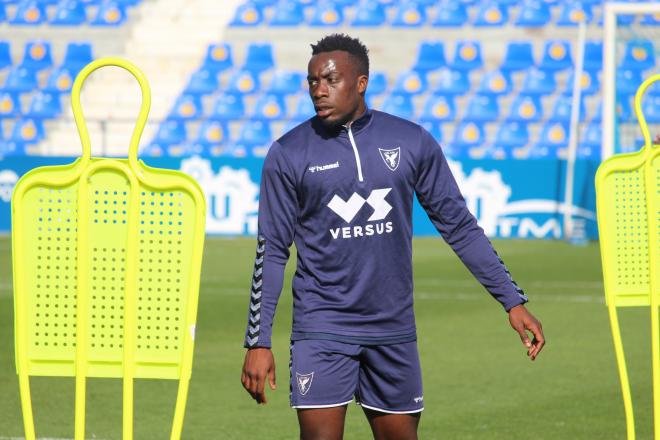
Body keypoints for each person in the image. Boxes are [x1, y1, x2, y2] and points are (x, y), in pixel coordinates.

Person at [240, 33, 545, 440]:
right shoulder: (289, 153)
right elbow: (272, 250)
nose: (319, 90)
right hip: (322, 327)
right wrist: (258, 341)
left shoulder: (410, 141)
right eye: (313, 81)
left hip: (392, 329)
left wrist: (512, 300)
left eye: (331, 80)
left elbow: (458, 225)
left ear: (361, 82)